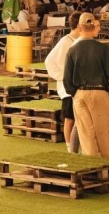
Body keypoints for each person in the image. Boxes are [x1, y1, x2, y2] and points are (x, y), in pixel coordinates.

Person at [63, 12, 109, 158]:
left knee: (86, 135)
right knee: (106, 134)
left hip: (80, 95)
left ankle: (92, 166)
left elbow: (66, 79)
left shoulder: (72, 50)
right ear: (93, 27)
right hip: (100, 94)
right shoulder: (102, 49)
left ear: (80, 27)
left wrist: (75, 93)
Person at [45, 12, 82, 153]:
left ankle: (77, 147)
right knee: (70, 118)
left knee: (79, 119)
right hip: (68, 89)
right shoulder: (65, 41)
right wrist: (62, 76)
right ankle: (69, 148)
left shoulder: (81, 41)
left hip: (80, 86)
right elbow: (49, 61)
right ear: (79, 25)